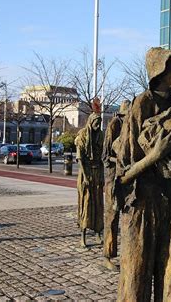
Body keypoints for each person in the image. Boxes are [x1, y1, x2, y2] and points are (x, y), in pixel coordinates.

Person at [115, 47, 171, 301]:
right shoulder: (141, 105)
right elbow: (121, 176)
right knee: (137, 277)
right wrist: (154, 156)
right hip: (142, 206)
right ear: (162, 70)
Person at [102, 100, 130, 270]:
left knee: (128, 215)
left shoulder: (131, 125)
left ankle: (126, 252)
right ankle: (108, 255)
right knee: (112, 217)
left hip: (126, 176)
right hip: (113, 177)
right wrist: (119, 160)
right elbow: (105, 157)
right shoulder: (114, 125)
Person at [75, 100, 104, 248]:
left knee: (98, 204)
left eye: (99, 123)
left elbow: (103, 158)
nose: (98, 126)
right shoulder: (83, 135)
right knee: (86, 204)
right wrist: (85, 177)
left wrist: (103, 175)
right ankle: (83, 236)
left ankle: (99, 233)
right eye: (96, 123)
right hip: (86, 173)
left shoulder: (101, 136)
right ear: (90, 122)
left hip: (97, 172)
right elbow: (80, 158)